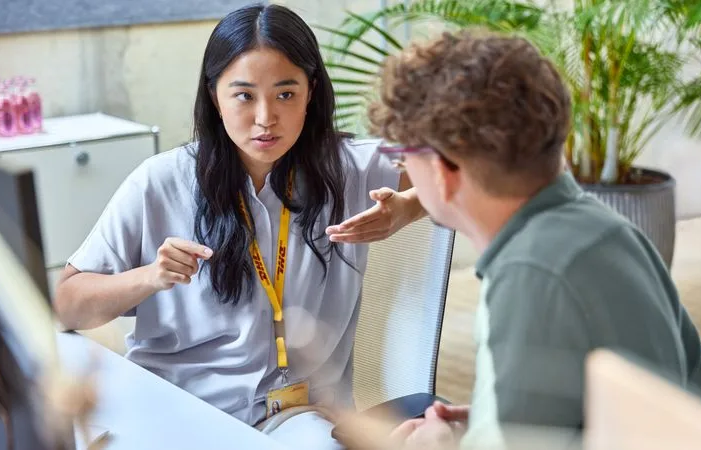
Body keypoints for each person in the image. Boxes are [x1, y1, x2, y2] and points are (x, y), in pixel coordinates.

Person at [54, 4, 425, 448]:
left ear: (311, 92)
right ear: (215, 96)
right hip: (173, 407)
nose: (265, 117)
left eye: (285, 94)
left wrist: (408, 207)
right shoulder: (161, 181)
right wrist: (149, 277)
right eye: (244, 95)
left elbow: (470, 167)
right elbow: (65, 306)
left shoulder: (350, 167)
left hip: (293, 418)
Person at [366, 30, 701, 449]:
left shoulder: (531, 275)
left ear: (443, 171)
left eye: (402, 158)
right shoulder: (604, 229)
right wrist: (490, 418)